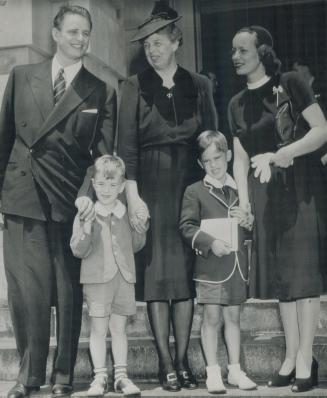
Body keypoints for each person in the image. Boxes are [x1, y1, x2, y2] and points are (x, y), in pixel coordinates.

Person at [0, 5, 116, 398]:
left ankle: (63, 376)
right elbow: (3, 142)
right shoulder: (20, 77)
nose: (80, 39)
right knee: (27, 294)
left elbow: (100, 157)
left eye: (86, 33)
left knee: (67, 293)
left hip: (70, 204)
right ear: (54, 33)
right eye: (73, 32)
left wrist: (87, 196)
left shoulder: (99, 90)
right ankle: (27, 376)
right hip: (22, 197)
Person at [117, 0, 217, 392]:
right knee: (158, 276)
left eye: (159, 41)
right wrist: (133, 196)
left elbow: (212, 139)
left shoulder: (200, 84)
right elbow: (125, 146)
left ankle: (183, 358)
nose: (152, 49)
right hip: (152, 187)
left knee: (187, 277)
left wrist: (213, 189)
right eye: (147, 44)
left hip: (191, 186)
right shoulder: (132, 86)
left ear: (176, 42)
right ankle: (164, 363)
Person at [228, 25, 327, 393]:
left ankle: (305, 358)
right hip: (264, 194)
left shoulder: (291, 82)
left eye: (243, 50)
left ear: (263, 51)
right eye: (233, 51)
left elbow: (321, 129)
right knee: (283, 280)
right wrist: (244, 202)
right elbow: (239, 159)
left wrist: (283, 153)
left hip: (298, 188)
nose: (235, 56)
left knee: (303, 278)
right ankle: (290, 355)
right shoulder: (236, 103)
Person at [180, 130, 257, 394]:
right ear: (201, 163)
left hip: (236, 265)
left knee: (233, 317)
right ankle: (213, 372)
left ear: (229, 156)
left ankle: (235, 370)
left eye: (218, 158)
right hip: (210, 267)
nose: (214, 165)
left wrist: (248, 222)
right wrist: (210, 243)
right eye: (208, 160)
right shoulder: (194, 191)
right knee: (211, 317)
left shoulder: (242, 190)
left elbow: (250, 228)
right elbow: (187, 227)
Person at [70, 155, 146, 397]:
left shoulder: (126, 212)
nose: (106, 190)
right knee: (98, 329)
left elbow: (135, 246)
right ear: (93, 183)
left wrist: (140, 229)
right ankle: (100, 376)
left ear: (122, 186)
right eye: (101, 184)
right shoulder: (85, 214)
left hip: (123, 279)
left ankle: (121, 377)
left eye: (113, 185)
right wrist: (87, 227)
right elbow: (78, 250)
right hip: (97, 280)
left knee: (119, 329)